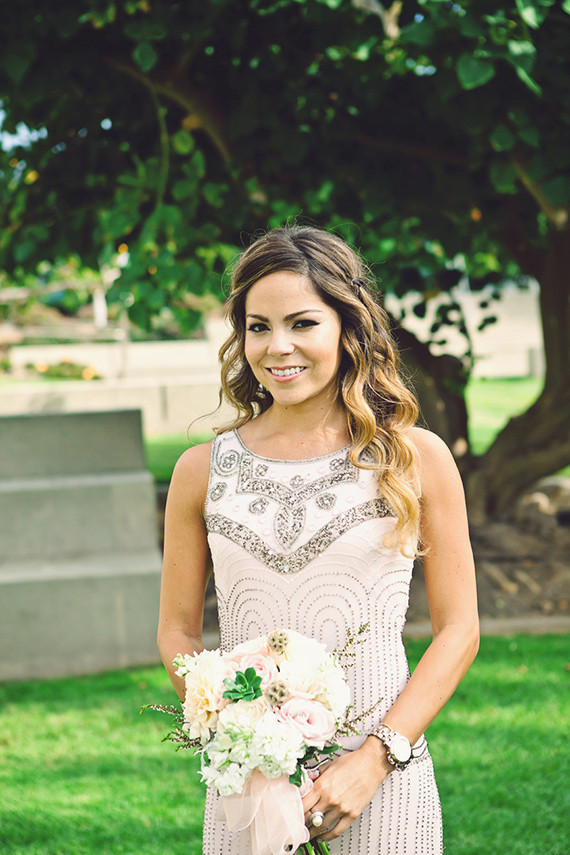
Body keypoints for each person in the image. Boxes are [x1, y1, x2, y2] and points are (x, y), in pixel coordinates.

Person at [157, 225, 479, 854]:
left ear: (347, 328)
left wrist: (375, 761)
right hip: (248, 786)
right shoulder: (200, 471)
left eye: (303, 323)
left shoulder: (413, 459)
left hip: (383, 780)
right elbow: (177, 632)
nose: (278, 347)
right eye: (258, 326)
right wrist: (237, 729)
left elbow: (459, 629)